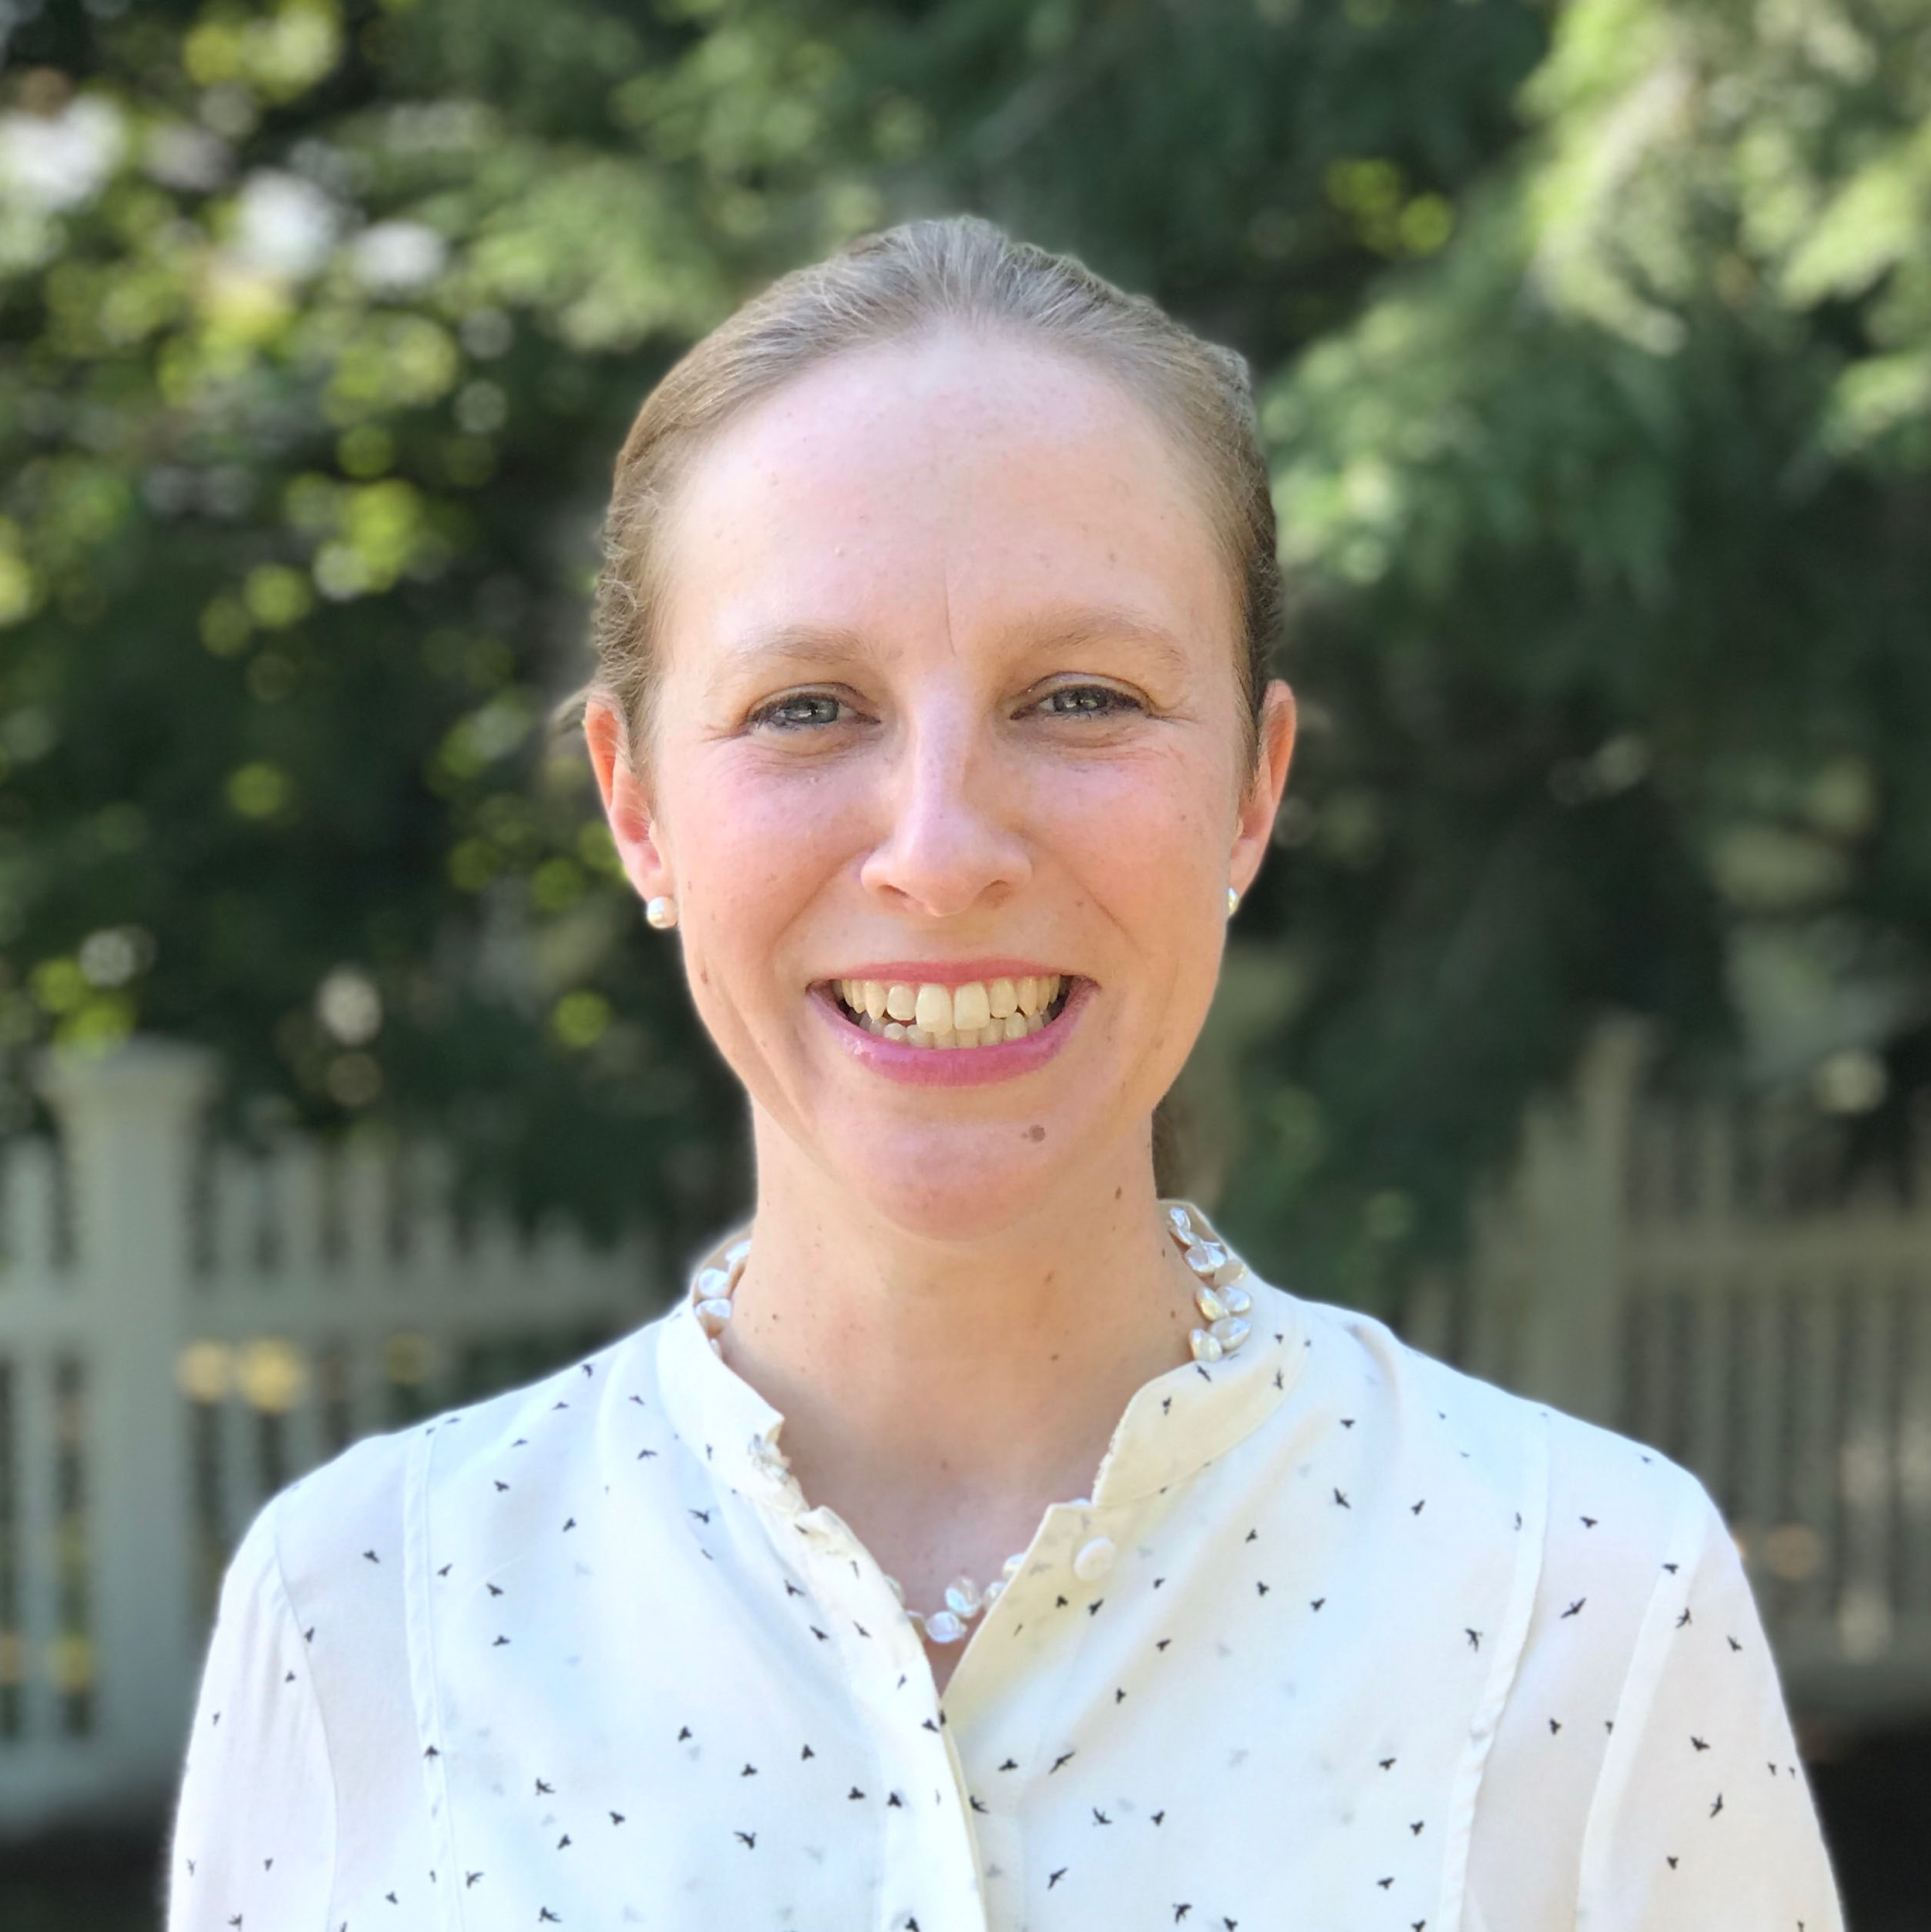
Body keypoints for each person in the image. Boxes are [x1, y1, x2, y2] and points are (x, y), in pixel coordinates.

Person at [165, 216, 1844, 1932]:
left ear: (1253, 792)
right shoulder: (361, 1608)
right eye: (810, 707)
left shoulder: (1589, 1595)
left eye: (1080, 696)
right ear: (637, 805)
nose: (943, 850)